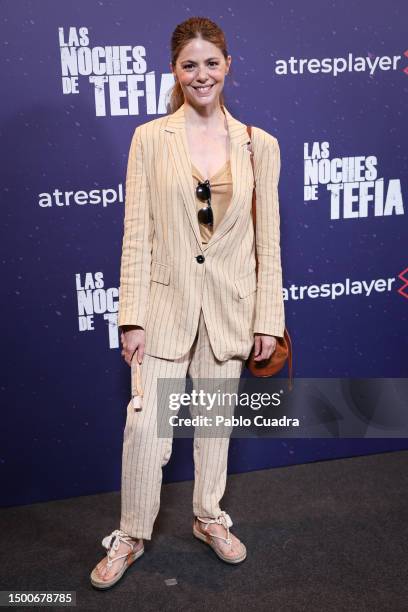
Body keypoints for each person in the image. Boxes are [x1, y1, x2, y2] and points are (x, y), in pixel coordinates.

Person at [90, 15, 285, 589]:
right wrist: (132, 318)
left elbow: (267, 241)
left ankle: (208, 518)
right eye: (189, 64)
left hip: (230, 309)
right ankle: (130, 532)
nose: (202, 75)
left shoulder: (259, 145)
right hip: (165, 309)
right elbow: (136, 233)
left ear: (228, 65)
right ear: (175, 70)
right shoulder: (151, 138)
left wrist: (267, 319)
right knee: (146, 425)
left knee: (215, 426)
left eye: (211, 62)